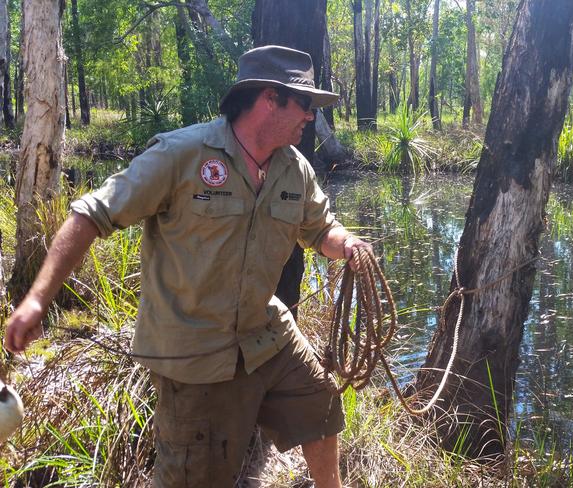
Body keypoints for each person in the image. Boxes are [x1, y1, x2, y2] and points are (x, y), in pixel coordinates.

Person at [4, 45, 372, 488]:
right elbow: (90, 215)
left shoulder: (295, 169)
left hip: (265, 334)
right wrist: (37, 300)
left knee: (321, 408)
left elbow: (320, 229)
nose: (310, 116)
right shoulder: (182, 155)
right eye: (305, 103)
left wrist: (348, 244)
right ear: (268, 98)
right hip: (195, 355)